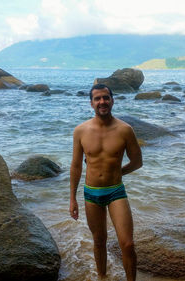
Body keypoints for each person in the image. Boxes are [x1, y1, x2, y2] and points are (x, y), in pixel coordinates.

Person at [69, 83, 142, 281]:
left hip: (116, 191)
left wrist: (118, 173)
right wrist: (72, 199)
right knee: (99, 241)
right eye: (97, 99)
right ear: (91, 103)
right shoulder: (81, 131)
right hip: (91, 193)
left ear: (112, 100)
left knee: (127, 244)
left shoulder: (125, 130)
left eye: (105, 98)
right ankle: (102, 277)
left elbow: (137, 162)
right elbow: (76, 166)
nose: (102, 102)